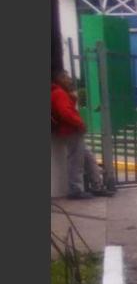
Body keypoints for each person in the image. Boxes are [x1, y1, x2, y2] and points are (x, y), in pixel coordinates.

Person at [51, 70, 111, 198]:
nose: (70, 80)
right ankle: (75, 190)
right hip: (71, 131)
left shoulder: (62, 93)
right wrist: (80, 124)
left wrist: (72, 98)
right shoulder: (59, 93)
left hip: (73, 130)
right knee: (76, 161)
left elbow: (68, 110)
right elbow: (65, 113)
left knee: (89, 158)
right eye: (67, 77)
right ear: (60, 79)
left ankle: (97, 186)